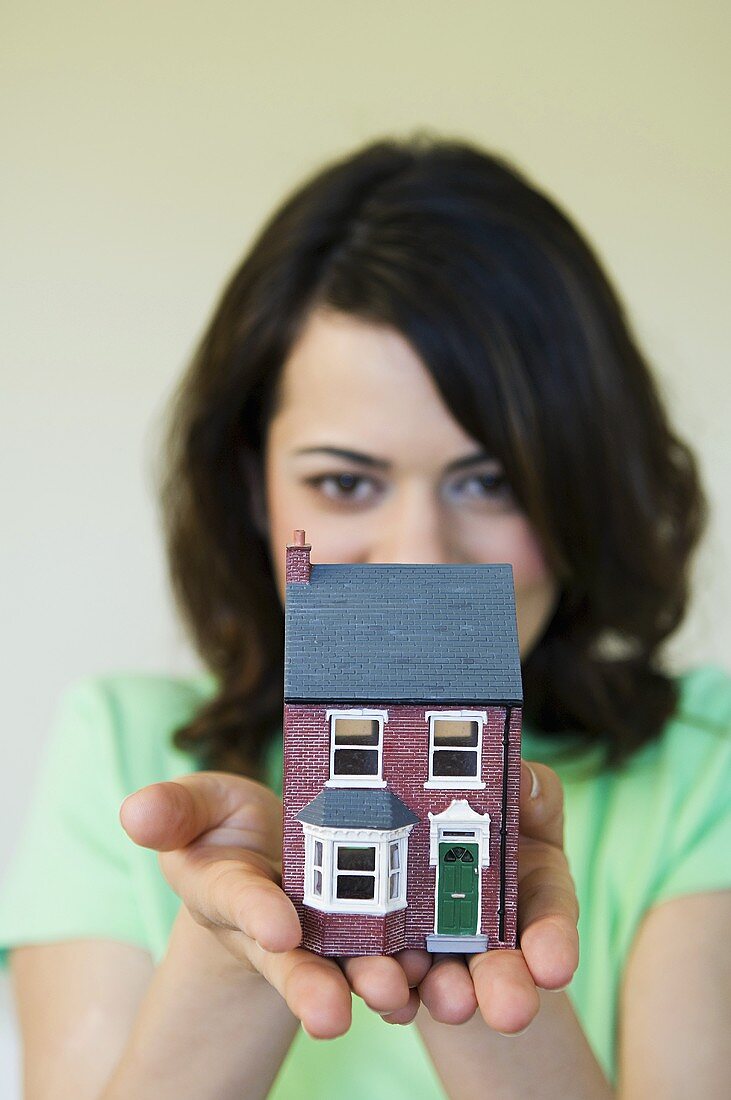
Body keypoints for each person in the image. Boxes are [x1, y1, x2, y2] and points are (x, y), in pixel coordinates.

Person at [1, 134, 730, 1099]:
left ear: (582, 487)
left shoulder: (703, 767)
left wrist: (472, 962)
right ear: (254, 488)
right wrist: (236, 957)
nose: (419, 557)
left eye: (492, 481)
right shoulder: (123, 749)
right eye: (345, 481)